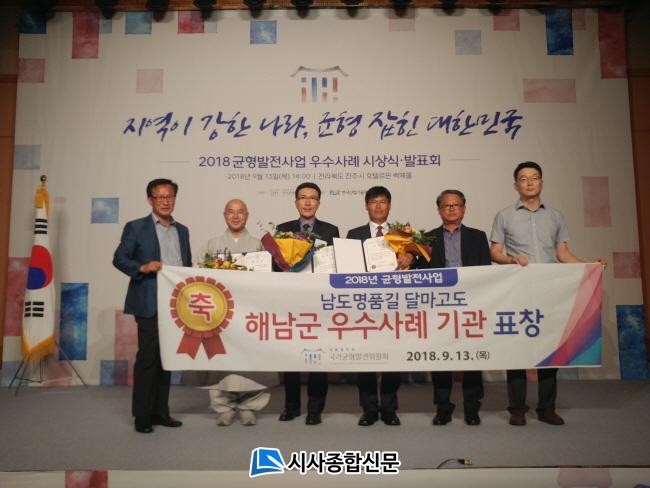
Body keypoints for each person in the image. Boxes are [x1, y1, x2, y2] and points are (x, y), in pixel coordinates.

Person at [490, 161, 607, 426]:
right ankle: (517, 409)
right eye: (523, 178)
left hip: (549, 290)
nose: (529, 182)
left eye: (534, 177)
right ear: (515, 185)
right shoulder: (504, 215)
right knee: (517, 348)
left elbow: (563, 254)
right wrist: (511, 259)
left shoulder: (555, 216)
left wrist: (591, 267)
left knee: (549, 347)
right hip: (518, 289)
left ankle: (546, 408)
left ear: (541, 182)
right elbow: (495, 252)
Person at [184, 198, 276, 426]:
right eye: (231, 212)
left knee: (251, 358)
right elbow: (197, 273)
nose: (235, 216)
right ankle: (223, 406)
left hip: (249, 311)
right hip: (220, 312)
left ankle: (249, 405)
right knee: (221, 358)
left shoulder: (258, 245)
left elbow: (268, 277)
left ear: (247, 215)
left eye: (240, 212)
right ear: (224, 215)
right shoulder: (212, 244)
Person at [113, 178, 192, 434]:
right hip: (149, 301)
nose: (166, 202)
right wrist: (142, 267)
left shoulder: (182, 230)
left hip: (175, 304)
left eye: (170, 197)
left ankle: (161, 412)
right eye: (160, 197)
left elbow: (186, 266)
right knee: (148, 359)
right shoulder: (136, 227)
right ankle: (143, 416)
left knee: (166, 358)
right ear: (150, 200)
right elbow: (119, 258)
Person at [421, 190, 490, 426]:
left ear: (464, 208)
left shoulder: (478, 237)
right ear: (439, 210)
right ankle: (443, 407)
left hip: (471, 304)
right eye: (446, 205)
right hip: (439, 307)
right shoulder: (427, 239)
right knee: (441, 358)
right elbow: (421, 275)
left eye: (456, 205)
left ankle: (472, 407)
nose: (451, 209)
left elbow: (486, 272)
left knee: (471, 357)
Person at [346, 186, 413, 426]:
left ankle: (389, 408)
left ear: (390, 205)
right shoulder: (354, 234)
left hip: (393, 305)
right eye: (373, 202)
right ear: (366, 206)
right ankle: (369, 408)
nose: (378, 206)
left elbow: (413, 269)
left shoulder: (402, 234)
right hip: (364, 305)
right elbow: (347, 267)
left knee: (392, 357)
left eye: (383, 201)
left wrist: (410, 257)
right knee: (364, 358)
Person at [276, 182, 340, 426]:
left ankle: (315, 408)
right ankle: (291, 406)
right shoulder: (282, 230)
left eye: (312, 198)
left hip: (319, 301)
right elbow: (275, 266)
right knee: (291, 356)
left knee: (317, 357)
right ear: (296, 202)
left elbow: (335, 263)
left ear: (318, 203)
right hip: (291, 301)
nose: (307, 202)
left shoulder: (331, 230)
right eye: (303, 197)